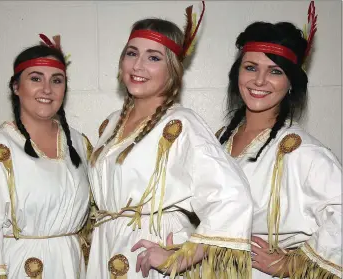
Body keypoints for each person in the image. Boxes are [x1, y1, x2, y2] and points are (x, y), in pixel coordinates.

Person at [86, 3, 255, 278]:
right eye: (132, 53)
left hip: (148, 258)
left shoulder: (182, 124)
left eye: (153, 57)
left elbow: (233, 198)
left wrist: (181, 258)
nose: (138, 65)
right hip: (106, 253)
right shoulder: (110, 124)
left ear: (173, 69)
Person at [216, 2, 342, 278]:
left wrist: (292, 265)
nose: (259, 80)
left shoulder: (303, 151)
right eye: (251, 67)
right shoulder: (217, 142)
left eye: (275, 71)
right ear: (237, 73)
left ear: (291, 83)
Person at [0, 35, 92, 279]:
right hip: (21, 266)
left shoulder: (79, 143)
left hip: (71, 264)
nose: (47, 89)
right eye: (35, 78)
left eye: (56, 80)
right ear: (16, 87)